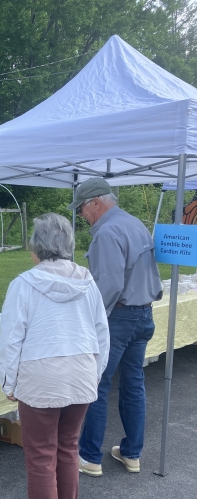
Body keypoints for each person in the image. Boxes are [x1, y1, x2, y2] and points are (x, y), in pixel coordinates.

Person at [0, 213, 109, 499]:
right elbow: (102, 333)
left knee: (42, 454)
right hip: (80, 372)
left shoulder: (24, 284)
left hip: (41, 376)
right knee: (68, 448)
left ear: (36, 247)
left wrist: (7, 381)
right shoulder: (88, 282)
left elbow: (11, 339)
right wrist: (95, 371)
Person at [67, 177, 163, 477]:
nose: (82, 216)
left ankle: (90, 456)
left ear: (96, 202)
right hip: (144, 314)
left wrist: (87, 318)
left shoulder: (107, 232)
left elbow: (108, 286)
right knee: (133, 384)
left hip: (118, 318)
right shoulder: (135, 223)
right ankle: (132, 453)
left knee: (97, 385)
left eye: (82, 209)